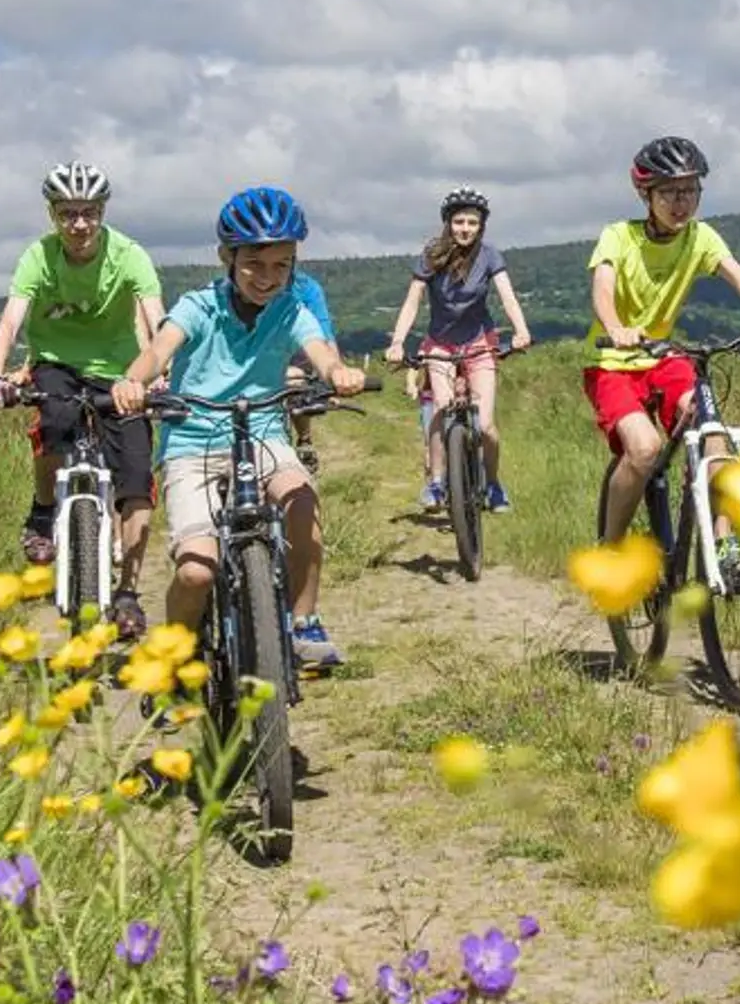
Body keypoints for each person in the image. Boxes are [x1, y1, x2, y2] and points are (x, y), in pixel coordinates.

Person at [110, 186, 364, 671]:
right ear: (227, 256)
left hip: (264, 432)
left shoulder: (291, 309)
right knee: (195, 572)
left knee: (302, 500)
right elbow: (160, 349)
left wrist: (337, 374)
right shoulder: (199, 306)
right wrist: (133, 380)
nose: (267, 278)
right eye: (254, 263)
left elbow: (320, 351)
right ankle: (175, 662)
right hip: (194, 440)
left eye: (281, 265)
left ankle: (302, 622)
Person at [584, 137, 740, 555]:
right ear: (645, 195)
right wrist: (618, 327)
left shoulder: (701, 237)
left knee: (713, 435)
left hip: (666, 357)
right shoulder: (618, 237)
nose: (681, 202)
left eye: (690, 190)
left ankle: (723, 548)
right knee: (645, 449)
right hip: (612, 361)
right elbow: (603, 289)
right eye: (669, 191)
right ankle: (610, 549)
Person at [0, 162, 165, 641]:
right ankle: (44, 510)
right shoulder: (38, 257)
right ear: (52, 215)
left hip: (121, 371)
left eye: (88, 213)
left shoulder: (129, 255)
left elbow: (156, 317)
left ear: (102, 212)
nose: (79, 224)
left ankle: (127, 593)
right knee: (54, 422)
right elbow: (9, 322)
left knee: (137, 478)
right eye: (67, 214)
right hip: (57, 363)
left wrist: (160, 372)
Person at [384, 187, 533, 512]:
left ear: (481, 226)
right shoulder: (431, 255)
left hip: (480, 341)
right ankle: (437, 483)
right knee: (440, 407)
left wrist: (521, 331)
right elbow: (413, 302)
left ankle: (493, 484)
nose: (465, 228)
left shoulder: (490, 255)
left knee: (486, 425)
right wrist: (397, 342)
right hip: (440, 343)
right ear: (448, 223)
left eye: (473, 223)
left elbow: (507, 297)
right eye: (459, 221)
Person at [283, 268, 338, 473]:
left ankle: (304, 438)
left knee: (297, 384)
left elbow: (324, 333)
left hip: (299, 353)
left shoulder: (307, 288)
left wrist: (336, 375)